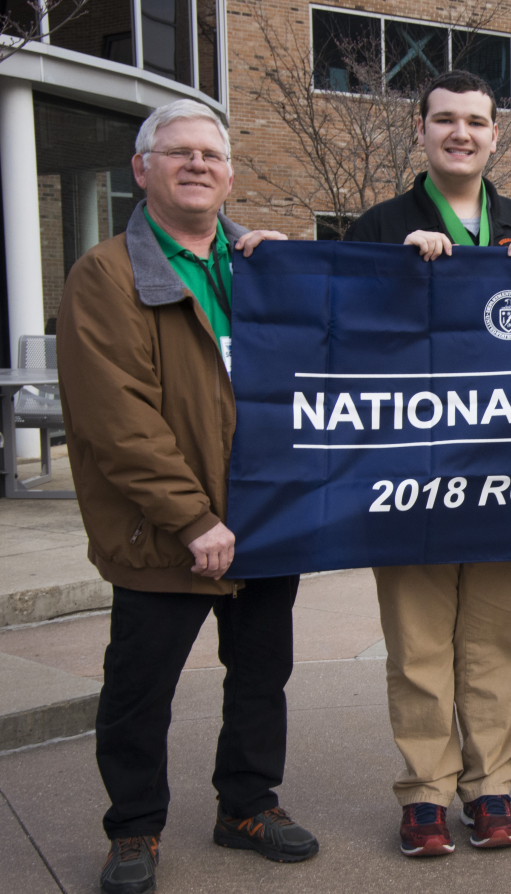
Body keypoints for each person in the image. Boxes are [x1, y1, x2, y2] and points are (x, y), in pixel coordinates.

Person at [56, 99, 315, 894]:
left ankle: (246, 806)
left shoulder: (264, 265)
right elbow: (116, 418)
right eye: (178, 153)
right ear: (143, 169)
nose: (198, 165)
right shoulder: (106, 274)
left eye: (211, 154)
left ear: (231, 173)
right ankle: (134, 829)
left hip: (266, 522)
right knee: (141, 690)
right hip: (165, 532)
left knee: (261, 677)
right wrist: (191, 515)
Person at [343, 69, 511, 857]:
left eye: (475, 121)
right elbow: (336, 332)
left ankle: (491, 787)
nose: (460, 133)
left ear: (497, 135)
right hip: (410, 480)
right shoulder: (377, 226)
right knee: (420, 645)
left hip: (507, 480)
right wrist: (392, 274)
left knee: (499, 644)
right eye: (445, 120)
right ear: (421, 131)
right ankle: (426, 795)